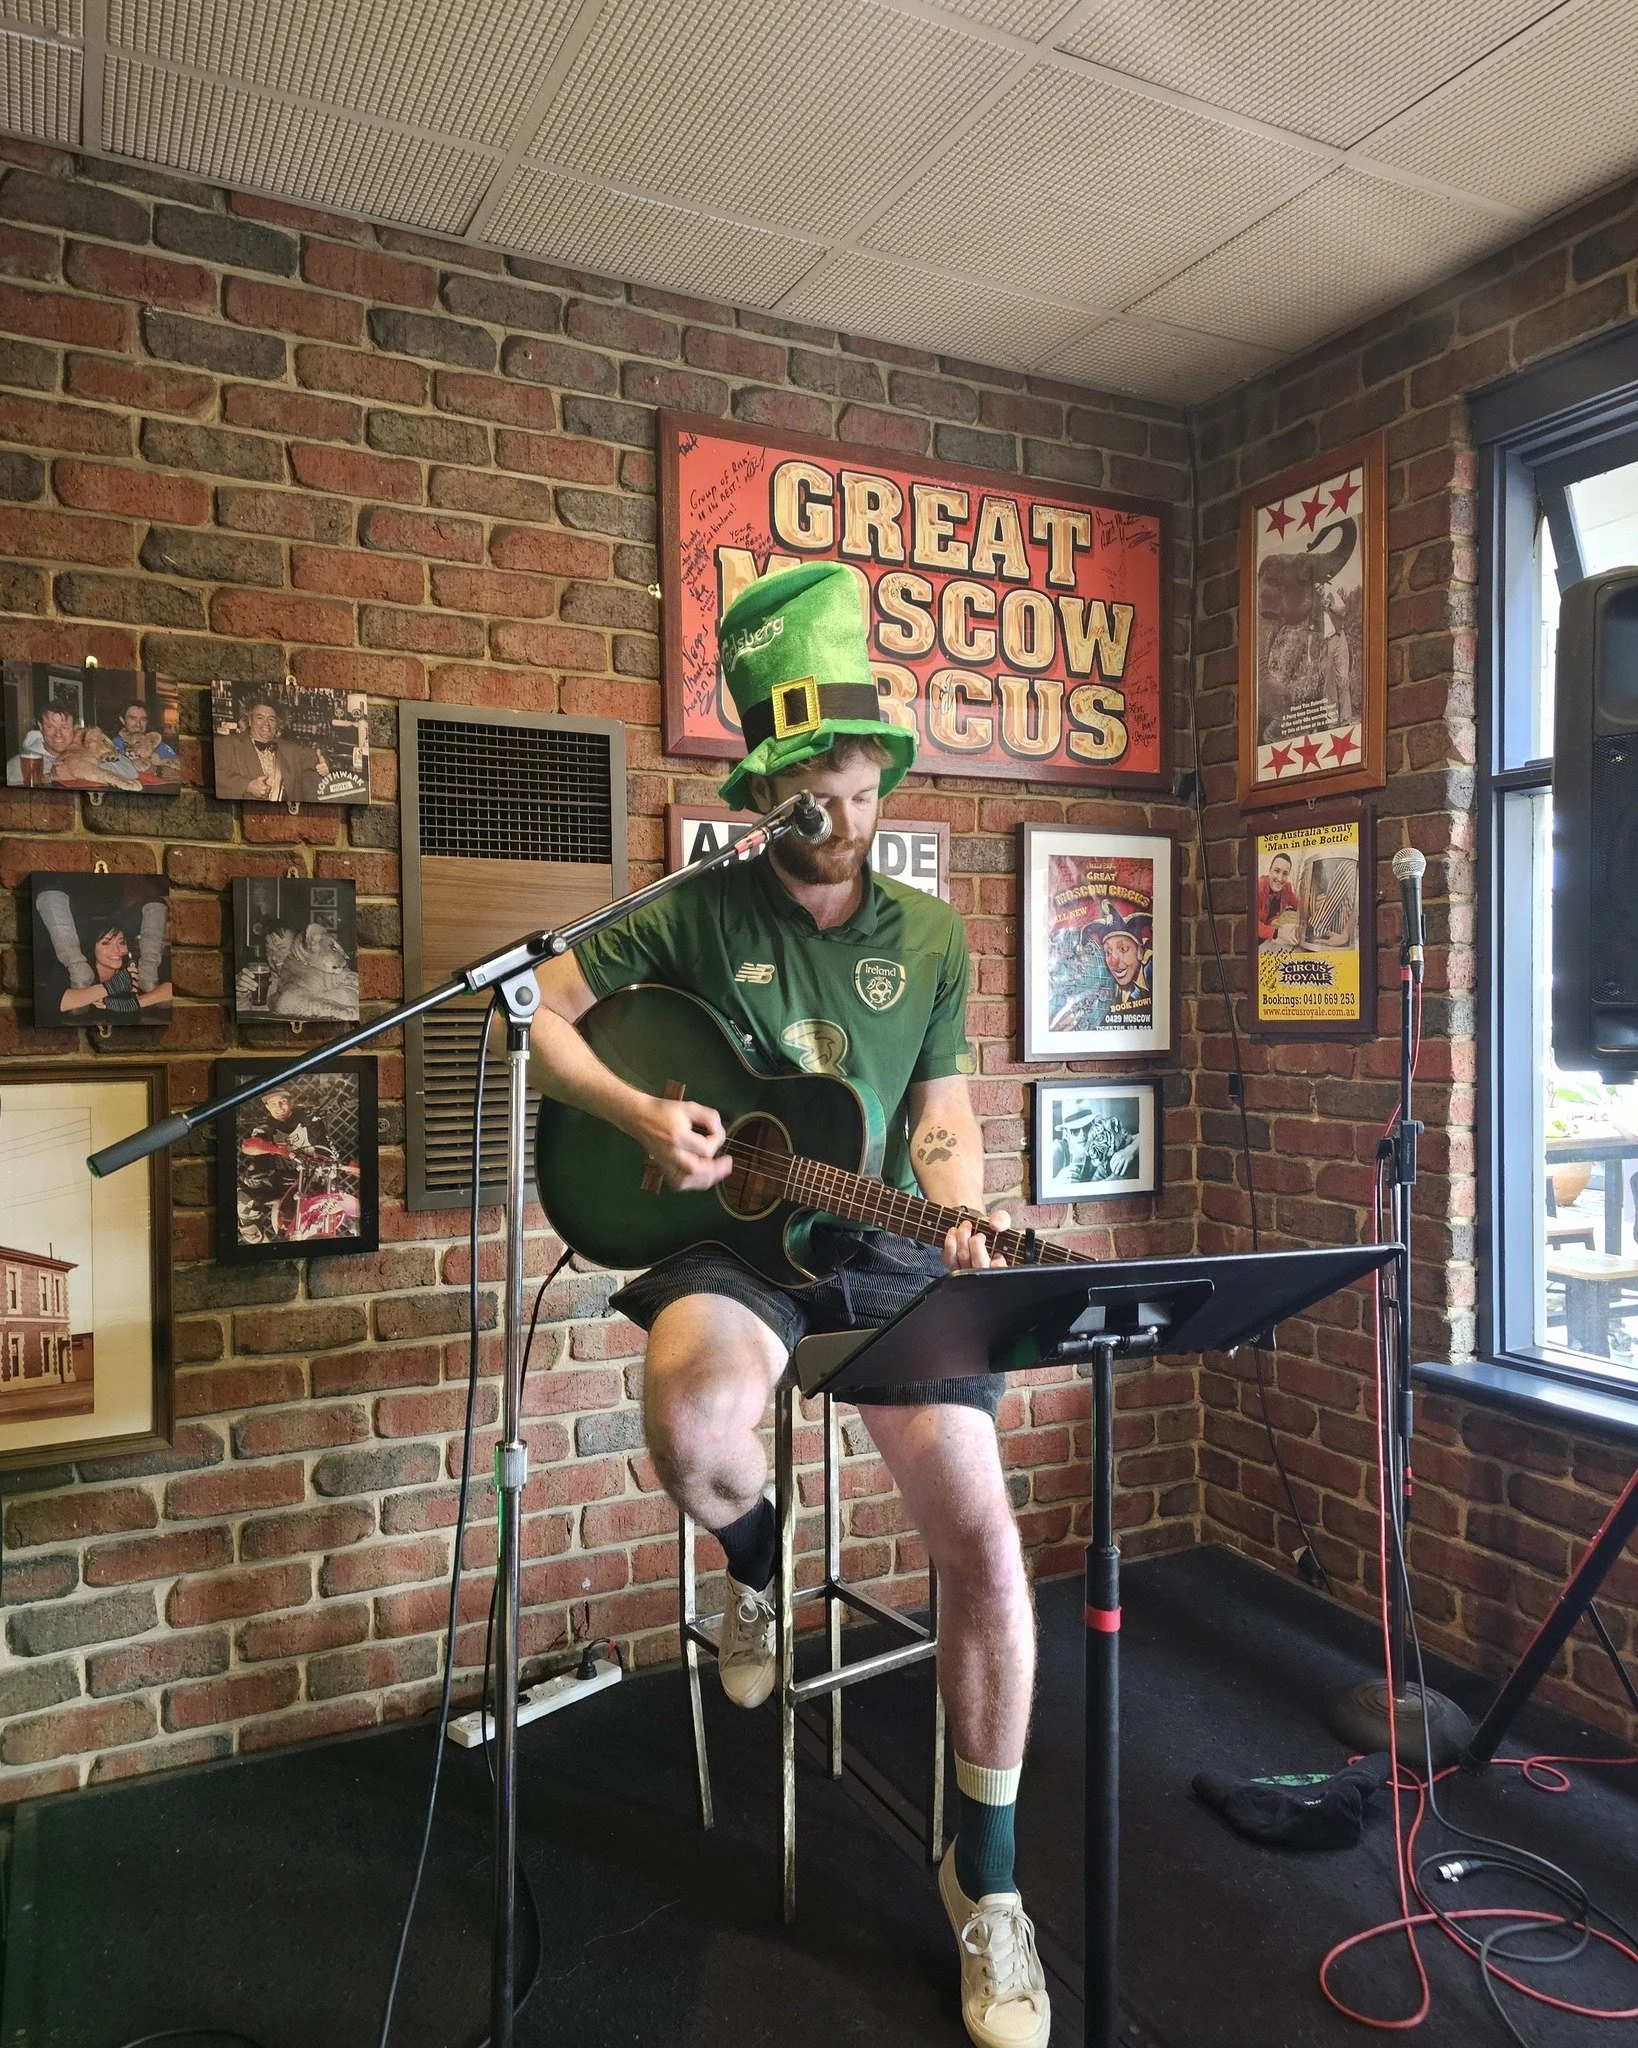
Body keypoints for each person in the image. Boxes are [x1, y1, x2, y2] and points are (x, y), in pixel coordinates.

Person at [529, 562, 1049, 2048]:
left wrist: (954, 1211)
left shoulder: (932, 940)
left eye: (859, 762)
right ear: (769, 781)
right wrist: (640, 1115)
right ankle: (753, 1563)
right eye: (812, 766)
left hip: (878, 1248)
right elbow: (540, 1015)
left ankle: (987, 1882)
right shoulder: (692, 910)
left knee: (987, 1550)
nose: (843, 788)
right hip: (734, 1242)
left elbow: (939, 1121)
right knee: (694, 1424)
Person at [54, 915, 171, 1019]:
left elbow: (170, 990)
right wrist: (111, 986)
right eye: (106, 943)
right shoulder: (76, 975)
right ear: (92, 948)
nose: (116, 950)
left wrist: (134, 1003)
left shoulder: (133, 970)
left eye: (121, 943)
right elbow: (57, 1001)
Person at [214, 697, 324, 802]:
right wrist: (247, 786)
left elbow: (320, 757)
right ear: (250, 721)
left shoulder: (290, 749)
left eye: (271, 719)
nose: (266, 723)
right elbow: (216, 775)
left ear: (277, 724)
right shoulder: (226, 744)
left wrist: (325, 764)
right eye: (260, 718)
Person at [111, 699, 179, 779]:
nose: (138, 724)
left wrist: (155, 769)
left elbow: (179, 769)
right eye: (132, 718)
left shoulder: (156, 744)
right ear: (122, 720)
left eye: (142, 719)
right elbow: (114, 765)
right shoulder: (117, 742)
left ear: (147, 722)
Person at [1257, 850, 1300, 945]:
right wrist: (1277, 932)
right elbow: (1251, 923)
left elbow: (1299, 905)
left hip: (1266, 938)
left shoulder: (1287, 888)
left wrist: (1313, 902)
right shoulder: (1258, 887)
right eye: (1277, 871)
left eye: (1285, 873)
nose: (1280, 878)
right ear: (1269, 870)